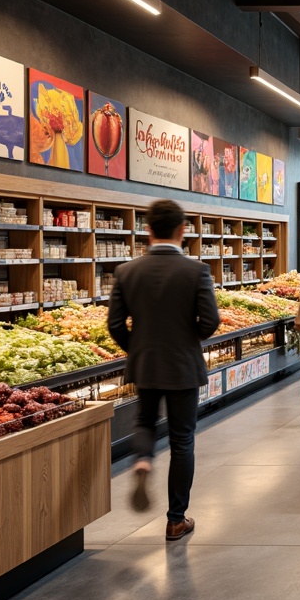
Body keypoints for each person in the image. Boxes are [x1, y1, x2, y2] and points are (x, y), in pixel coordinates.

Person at [107, 199, 220, 541]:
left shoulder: (127, 271)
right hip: (183, 365)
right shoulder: (195, 271)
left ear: (147, 229)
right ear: (182, 229)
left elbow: (114, 324)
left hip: (145, 363)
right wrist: (188, 341)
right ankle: (175, 518)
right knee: (182, 439)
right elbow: (211, 320)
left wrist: (138, 348)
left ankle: (142, 459)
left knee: (143, 420)